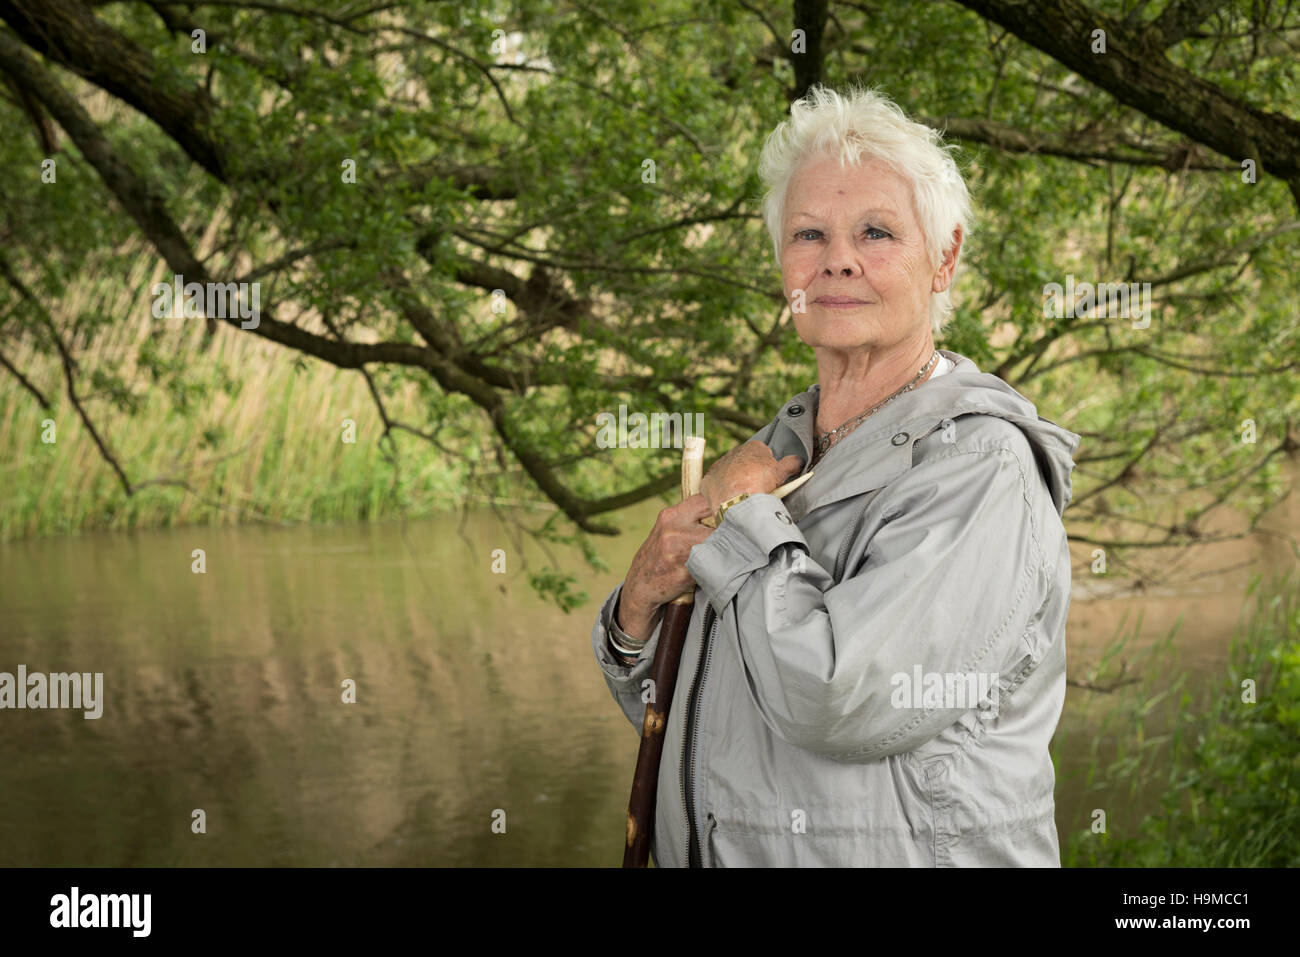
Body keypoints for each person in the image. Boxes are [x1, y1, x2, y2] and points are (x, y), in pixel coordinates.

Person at [591, 83, 1081, 866]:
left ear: (944, 257)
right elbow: (707, 714)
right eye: (809, 233)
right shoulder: (782, 448)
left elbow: (834, 697)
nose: (838, 259)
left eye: (877, 232)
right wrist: (640, 604)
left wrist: (744, 521)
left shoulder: (980, 470)